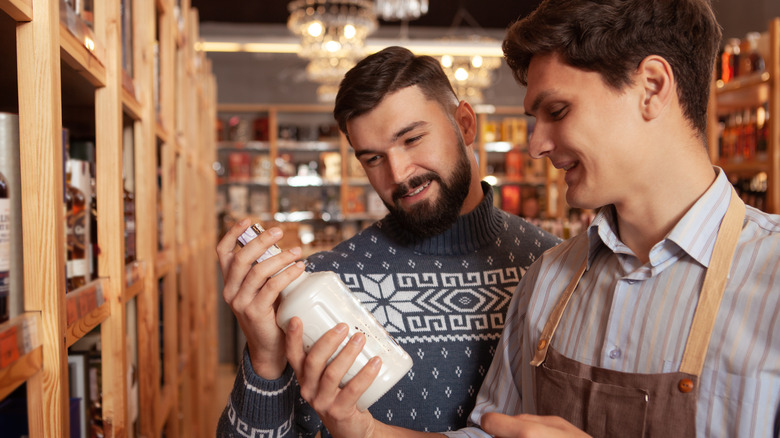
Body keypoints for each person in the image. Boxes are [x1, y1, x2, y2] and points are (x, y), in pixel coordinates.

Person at [280, 0, 780, 437]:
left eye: (558, 111)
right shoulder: (549, 278)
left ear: (651, 86)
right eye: (370, 158)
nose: (536, 145)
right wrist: (365, 432)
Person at [215, 46, 561, 437]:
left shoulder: (551, 267)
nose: (398, 174)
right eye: (373, 159)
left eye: (412, 139)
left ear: (465, 123)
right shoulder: (327, 282)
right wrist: (264, 361)